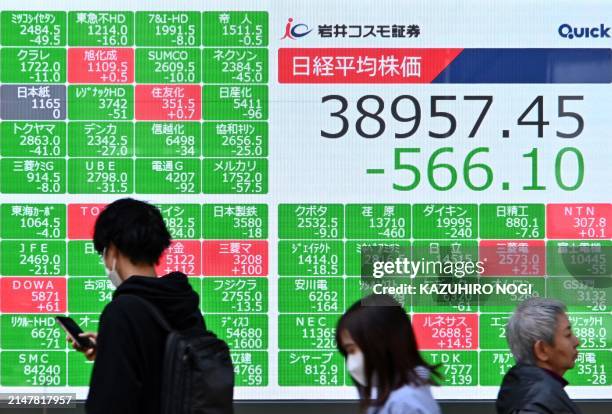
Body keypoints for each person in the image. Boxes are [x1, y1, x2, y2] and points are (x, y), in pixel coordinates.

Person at [69, 198, 206, 414]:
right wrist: (110, 350)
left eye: (103, 252)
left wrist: (112, 357)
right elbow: (167, 368)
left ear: (112, 250)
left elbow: (107, 404)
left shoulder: (122, 312)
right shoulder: (184, 302)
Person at [336, 294, 441, 414]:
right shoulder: (397, 396)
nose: (351, 361)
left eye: (352, 350)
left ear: (380, 343)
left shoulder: (404, 403)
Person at [496, 298, 581, 414]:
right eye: (568, 335)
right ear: (542, 350)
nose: (576, 342)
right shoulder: (535, 406)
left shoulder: (526, 392)